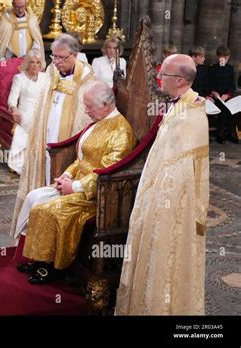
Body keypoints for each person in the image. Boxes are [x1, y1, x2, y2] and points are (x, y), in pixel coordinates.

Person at [14, 81, 136, 284]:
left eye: (89, 106)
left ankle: (53, 267)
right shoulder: (99, 121)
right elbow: (81, 159)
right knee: (34, 197)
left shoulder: (121, 132)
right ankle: (39, 259)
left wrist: (76, 187)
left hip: (97, 195)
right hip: (77, 184)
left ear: (105, 104)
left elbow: (109, 173)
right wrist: (68, 176)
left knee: (48, 210)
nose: (86, 111)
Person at [116, 54, 209, 315]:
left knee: (164, 258)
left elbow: (179, 174)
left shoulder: (190, 116)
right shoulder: (178, 105)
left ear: (179, 80)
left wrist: (157, 207)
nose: (159, 80)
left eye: (163, 75)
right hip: (154, 196)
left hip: (170, 208)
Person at [9, 33, 96, 236]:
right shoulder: (51, 69)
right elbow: (44, 101)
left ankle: (55, 226)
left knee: (60, 172)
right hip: (47, 131)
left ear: (74, 54)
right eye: (53, 56)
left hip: (68, 136)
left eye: (61, 57)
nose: (55, 61)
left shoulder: (86, 76)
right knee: (45, 169)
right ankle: (37, 219)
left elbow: (86, 111)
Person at [7, 49, 48, 174]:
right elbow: (12, 100)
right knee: (33, 123)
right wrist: (15, 110)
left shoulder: (45, 77)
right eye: (32, 62)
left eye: (37, 62)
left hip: (43, 111)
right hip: (25, 113)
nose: (35, 65)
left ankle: (41, 163)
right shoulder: (19, 78)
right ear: (27, 63)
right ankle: (26, 163)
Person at [0, 0, 44, 88]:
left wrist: (33, 52)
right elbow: (3, 44)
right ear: (12, 5)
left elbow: (37, 39)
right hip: (11, 62)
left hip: (29, 62)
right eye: (17, 7)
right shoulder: (6, 19)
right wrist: (11, 55)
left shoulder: (31, 18)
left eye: (22, 7)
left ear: (26, 4)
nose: (20, 10)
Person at [208, 45, 237, 144]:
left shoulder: (230, 69)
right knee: (223, 110)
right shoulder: (212, 69)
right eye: (222, 57)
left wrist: (227, 94)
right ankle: (220, 134)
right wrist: (213, 92)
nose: (224, 59)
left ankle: (231, 132)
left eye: (226, 57)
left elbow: (233, 86)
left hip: (226, 96)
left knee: (234, 110)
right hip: (216, 97)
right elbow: (209, 84)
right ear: (218, 57)